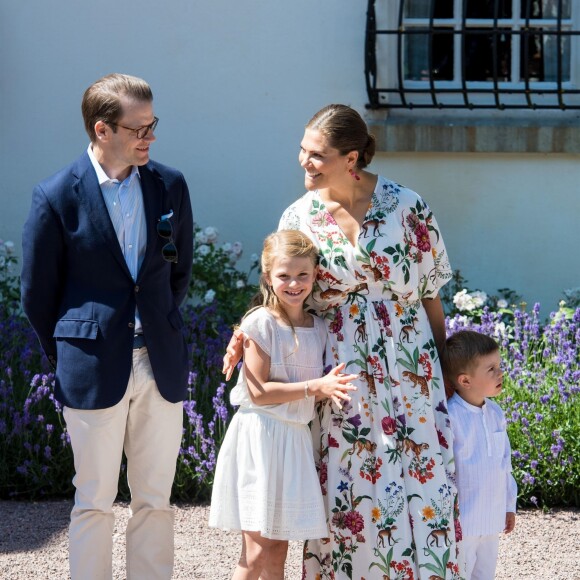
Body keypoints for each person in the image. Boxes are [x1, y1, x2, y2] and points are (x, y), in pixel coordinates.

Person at [223, 104, 464, 578]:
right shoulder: (299, 215)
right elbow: (281, 288)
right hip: (338, 367)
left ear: (351, 159)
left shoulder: (407, 205)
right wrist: (246, 334)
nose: (304, 162)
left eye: (317, 154)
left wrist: (441, 364)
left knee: (422, 477)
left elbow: (431, 293)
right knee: (348, 483)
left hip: (407, 359)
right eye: (302, 150)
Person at [21, 73, 194, 580]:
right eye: (140, 128)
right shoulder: (56, 195)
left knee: (155, 500)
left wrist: (158, 323)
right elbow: (37, 295)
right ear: (103, 129)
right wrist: (72, 354)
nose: (150, 137)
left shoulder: (170, 184)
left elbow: (177, 269)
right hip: (92, 364)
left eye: (152, 124)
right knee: (94, 500)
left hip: (158, 359)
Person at [210, 230, 357, 579]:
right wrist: (315, 387)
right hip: (261, 437)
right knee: (256, 550)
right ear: (267, 277)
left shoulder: (319, 327)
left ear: (315, 275)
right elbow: (259, 392)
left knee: (279, 549)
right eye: (284, 275)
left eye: (302, 275)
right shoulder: (260, 323)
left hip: (294, 440)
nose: (294, 283)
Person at [441, 330, 517, 580]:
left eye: (499, 366)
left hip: (492, 517)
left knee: (485, 575)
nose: (500, 373)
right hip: (464, 523)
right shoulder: (450, 417)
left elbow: (504, 463)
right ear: (465, 380)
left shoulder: (495, 413)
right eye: (491, 369)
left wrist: (509, 506)